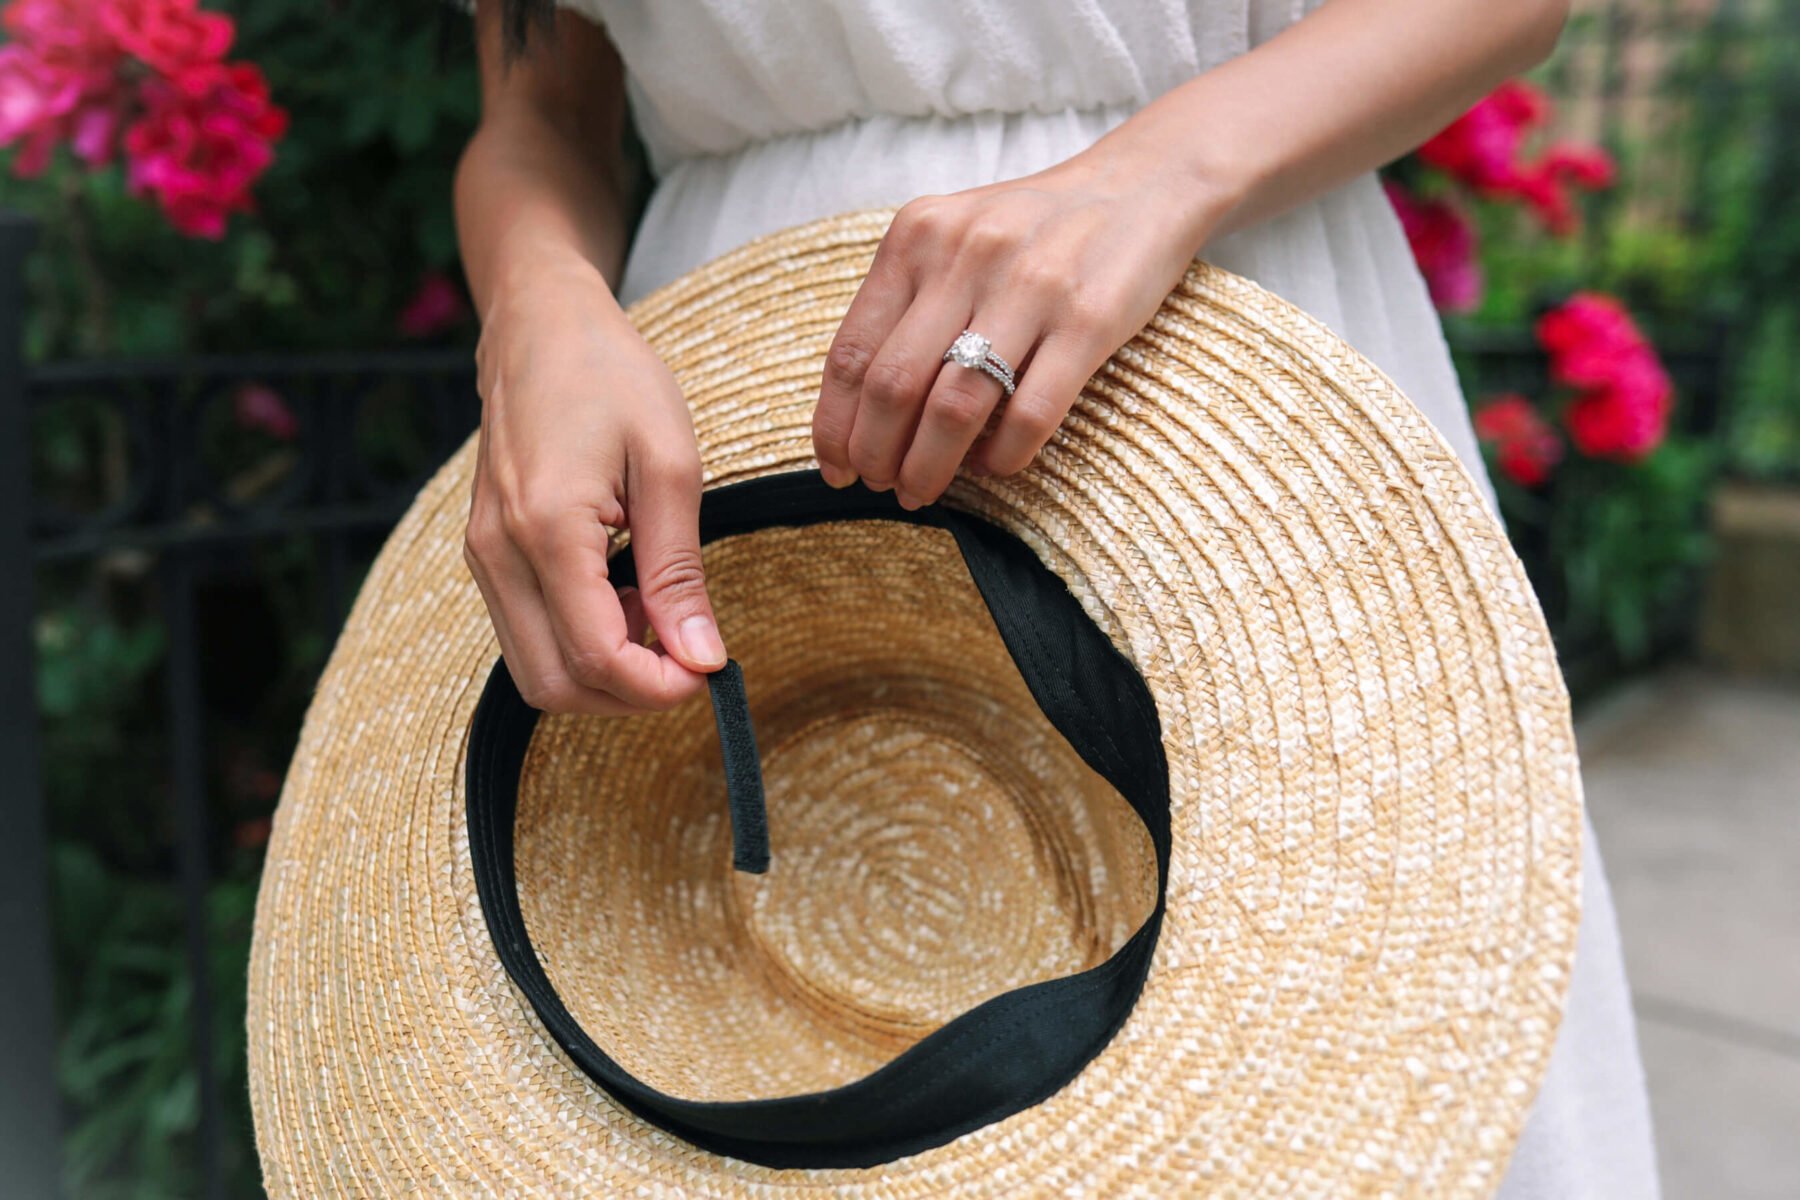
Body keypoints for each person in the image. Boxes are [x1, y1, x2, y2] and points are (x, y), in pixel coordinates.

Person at [447, 1, 1660, 1194]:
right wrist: (536, 304)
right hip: (725, 387)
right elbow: (542, 105)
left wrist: (1151, 176)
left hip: (1205, 293)